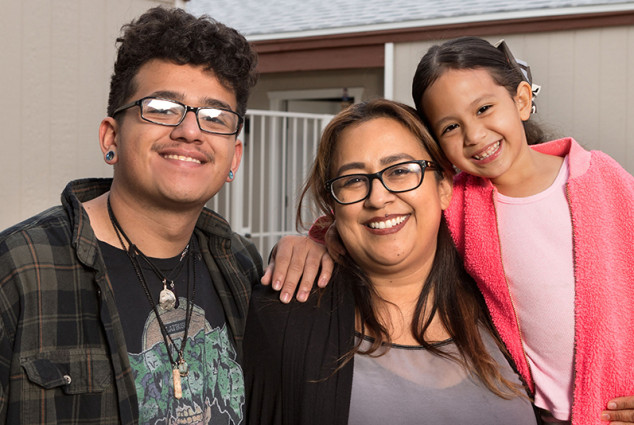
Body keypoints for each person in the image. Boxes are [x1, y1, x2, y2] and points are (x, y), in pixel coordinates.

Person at [0, 7, 330, 424]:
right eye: (161, 107)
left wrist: (319, 243)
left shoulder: (241, 265)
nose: (190, 131)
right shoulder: (20, 269)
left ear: (234, 158)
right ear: (111, 136)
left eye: (214, 117)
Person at [244, 99, 539, 424]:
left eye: (400, 171)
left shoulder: (510, 305)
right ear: (335, 207)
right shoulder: (283, 322)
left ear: (444, 186)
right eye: (353, 180)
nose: (378, 198)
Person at [409, 36, 634, 424]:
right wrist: (312, 243)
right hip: (538, 414)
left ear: (521, 100)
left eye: (484, 108)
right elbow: (385, 215)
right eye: (450, 126)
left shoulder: (601, 177)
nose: (474, 135)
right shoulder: (457, 203)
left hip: (619, 405)